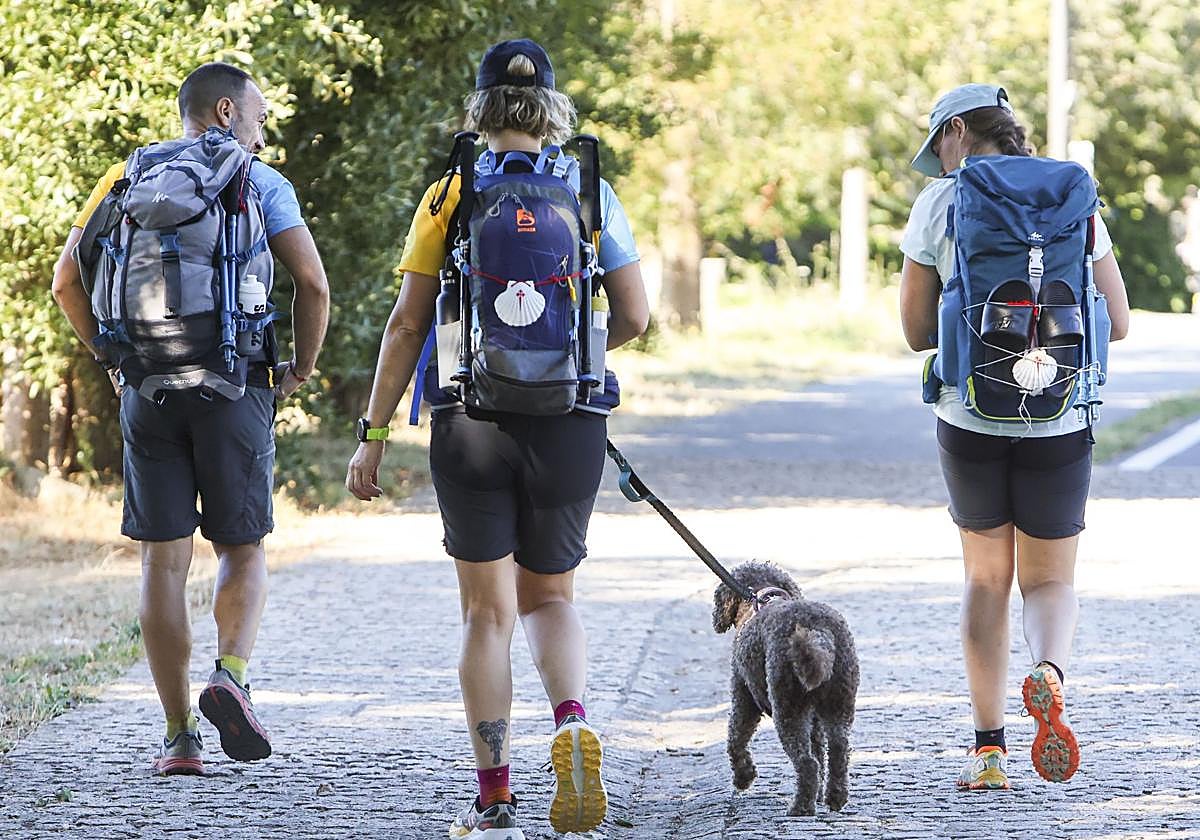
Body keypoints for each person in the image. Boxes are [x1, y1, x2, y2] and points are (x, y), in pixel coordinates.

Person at [346, 39, 647, 839]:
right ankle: (573, 719)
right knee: (551, 596)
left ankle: (494, 795)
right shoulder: (590, 191)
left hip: (468, 420)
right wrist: (565, 363)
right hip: (570, 423)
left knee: (487, 615)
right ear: (551, 110)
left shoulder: (449, 194)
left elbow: (410, 322)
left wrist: (373, 434)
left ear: (478, 112)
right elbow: (640, 316)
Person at [51, 62, 330, 775]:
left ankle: (179, 739)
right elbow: (313, 283)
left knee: (162, 562)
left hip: (148, 389)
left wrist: (114, 361)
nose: (265, 134)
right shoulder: (260, 182)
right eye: (262, 119)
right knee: (243, 548)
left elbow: (65, 280)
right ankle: (230, 674)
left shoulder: (126, 176)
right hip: (235, 387)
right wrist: (298, 367)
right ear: (228, 111)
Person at [899, 84, 1131, 791]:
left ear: (959, 132)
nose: (938, 160)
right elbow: (1116, 321)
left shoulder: (941, 201)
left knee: (985, 578)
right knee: (1051, 579)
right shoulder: (1072, 195)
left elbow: (913, 333)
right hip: (1060, 414)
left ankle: (990, 751)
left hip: (970, 416)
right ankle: (1048, 670)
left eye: (939, 143)